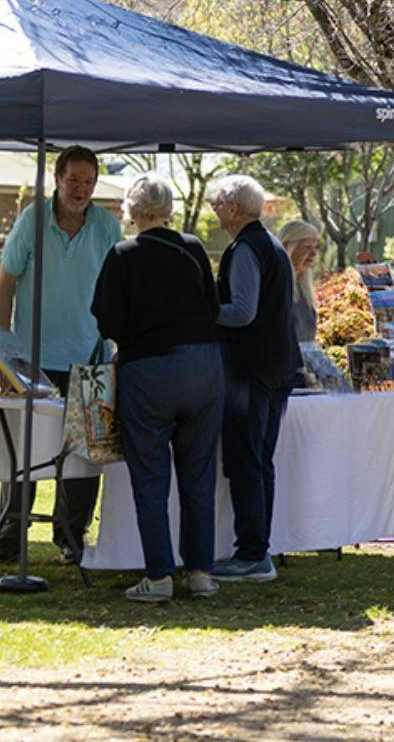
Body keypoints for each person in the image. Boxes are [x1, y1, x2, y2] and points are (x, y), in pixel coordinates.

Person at [90, 174, 224, 604]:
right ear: (169, 210)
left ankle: (160, 575)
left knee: (151, 476)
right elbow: (212, 305)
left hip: (148, 370)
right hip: (202, 367)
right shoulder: (193, 248)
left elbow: (107, 320)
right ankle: (201, 572)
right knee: (198, 473)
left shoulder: (122, 255)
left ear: (130, 210)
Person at [0, 145, 123, 564]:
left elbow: (119, 291)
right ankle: (11, 534)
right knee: (24, 451)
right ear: (57, 179)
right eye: (73, 180)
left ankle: (72, 536)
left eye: (88, 182)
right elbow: (5, 284)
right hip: (33, 359)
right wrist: (2, 349)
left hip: (92, 358)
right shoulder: (32, 220)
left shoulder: (107, 226)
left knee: (87, 453)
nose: (81, 189)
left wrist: (116, 348)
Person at [211, 175, 301, 583]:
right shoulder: (271, 244)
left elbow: (242, 312)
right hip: (278, 367)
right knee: (260, 461)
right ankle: (258, 549)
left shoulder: (246, 247)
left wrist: (200, 312)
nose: (214, 209)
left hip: (252, 371)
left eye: (218, 203)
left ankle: (251, 553)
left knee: (246, 461)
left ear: (233, 208)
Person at [277, 219, 322, 343]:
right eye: (307, 247)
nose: (314, 253)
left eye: (315, 247)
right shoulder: (276, 286)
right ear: (287, 247)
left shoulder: (303, 286)